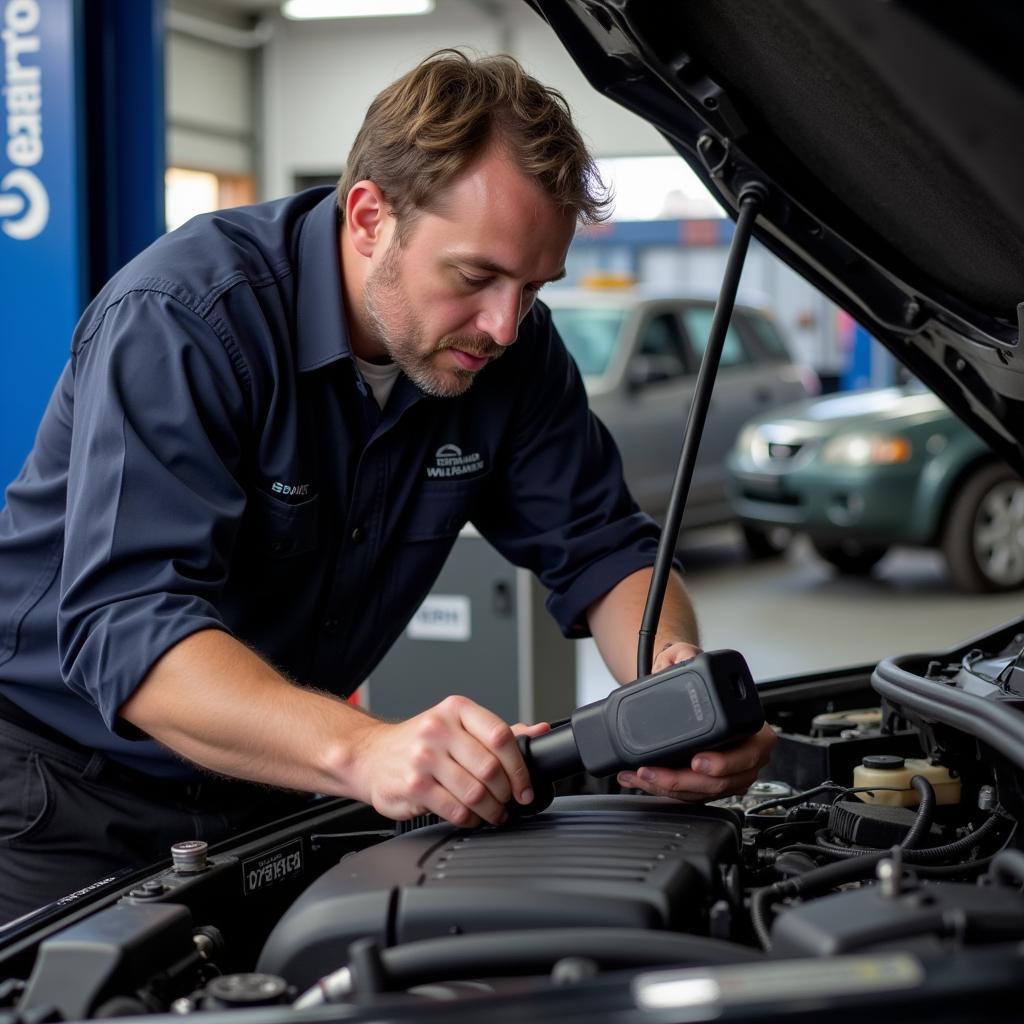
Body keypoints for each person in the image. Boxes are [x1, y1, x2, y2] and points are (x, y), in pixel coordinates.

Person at [0, 50, 775, 921]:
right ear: (370, 216)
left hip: (270, 785)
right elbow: (129, 631)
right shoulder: (187, 320)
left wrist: (672, 690)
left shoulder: (512, 353)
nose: (504, 326)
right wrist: (368, 752)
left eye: (534, 287)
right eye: (476, 277)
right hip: (58, 793)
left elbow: (605, 547)